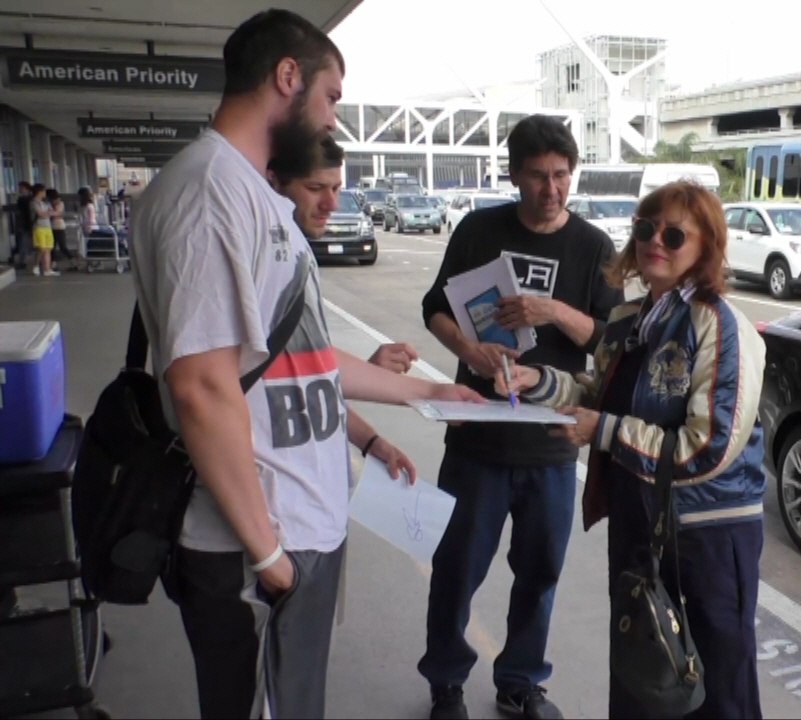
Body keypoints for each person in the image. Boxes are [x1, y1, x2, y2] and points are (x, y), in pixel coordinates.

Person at [129, 10, 481, 719]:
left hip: (297, 528)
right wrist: (268, 557)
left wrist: (430, 390)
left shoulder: (255, 199)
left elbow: (306, 364)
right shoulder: (210, 194)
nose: (330, 119)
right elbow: (200, 387)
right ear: (287, 77)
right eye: (332, 97)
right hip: (253, 544)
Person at [498, 181, 768, 719]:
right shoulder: (628, 320)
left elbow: (706, 447)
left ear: (706, 248)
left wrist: (604, 431)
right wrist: (536, 381)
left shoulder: (719, 325)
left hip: (706, 536)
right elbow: (595, 393)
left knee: (714, 684)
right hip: (638, 522)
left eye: (674, 234)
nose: (656, 242)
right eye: (646, 229)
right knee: (643, 670)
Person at [418, 114, 623, 720]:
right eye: (538, 176)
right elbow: (434, 307)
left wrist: (554, 309)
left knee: (539, 574)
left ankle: (521, 681)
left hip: (553, 445)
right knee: (456, 568)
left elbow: (609, 344)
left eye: (562, 176)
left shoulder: (592, 247)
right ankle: (447, 681)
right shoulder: (479, 229)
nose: (552, 189)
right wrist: (470, 351)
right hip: (478, 439)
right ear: (514, 174)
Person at [268, 133, 424, 462]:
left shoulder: (296, 253)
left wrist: (369, 441)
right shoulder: (269, 264)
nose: (332, 204)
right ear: (275, 184)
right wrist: (434, 393)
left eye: (336, 189)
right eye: (315, 188)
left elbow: (307, 376)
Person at [30, 184, 57, 277]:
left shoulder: (45, 203)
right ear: (39, 192)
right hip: (39, 227)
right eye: (44, 191)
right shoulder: (34, 203)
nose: (45, 193)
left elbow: (53, 212)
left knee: (48, 248)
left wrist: (48, 213)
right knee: (41, 248)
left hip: (47, 227)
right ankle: (36, 265)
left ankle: (47, 269)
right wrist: (48, 213)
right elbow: (41, 214)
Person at [46, 189, 73, 271]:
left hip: (59, 226)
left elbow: (57, 214)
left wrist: (50, 213)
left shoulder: (60, 203)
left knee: (63, 246)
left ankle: (73, 262)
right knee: (52, 247)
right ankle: (53, 264)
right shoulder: (49, 204)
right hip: (51, 227)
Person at [12, 181, 33, 269]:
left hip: (25, 224)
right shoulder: (29, 198)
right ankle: (24, 260)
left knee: (23, 243)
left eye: (21, 188)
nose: (20, 189)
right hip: (27, 223)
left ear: (26, 188)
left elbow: (22, 212)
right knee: (24, 242)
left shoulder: (24, 199)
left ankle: (23, 261)